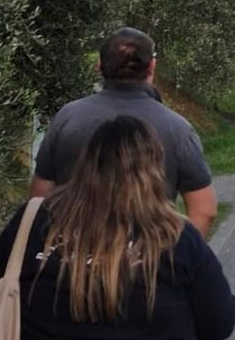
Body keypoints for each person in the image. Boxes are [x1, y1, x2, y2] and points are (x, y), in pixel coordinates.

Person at [0, 116, 235, 340]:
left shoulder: (33, 221)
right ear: (154, 174)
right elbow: (219, 323)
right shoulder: (177, 237)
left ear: (84, 165)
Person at [29, 27, 218, 237]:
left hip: (75, 257)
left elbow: (39, 199)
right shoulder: (177, 128)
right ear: (152, 67)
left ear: (99, 66)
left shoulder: (68, 118)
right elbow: (204, 210)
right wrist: (176, 258)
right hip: (148, 259)